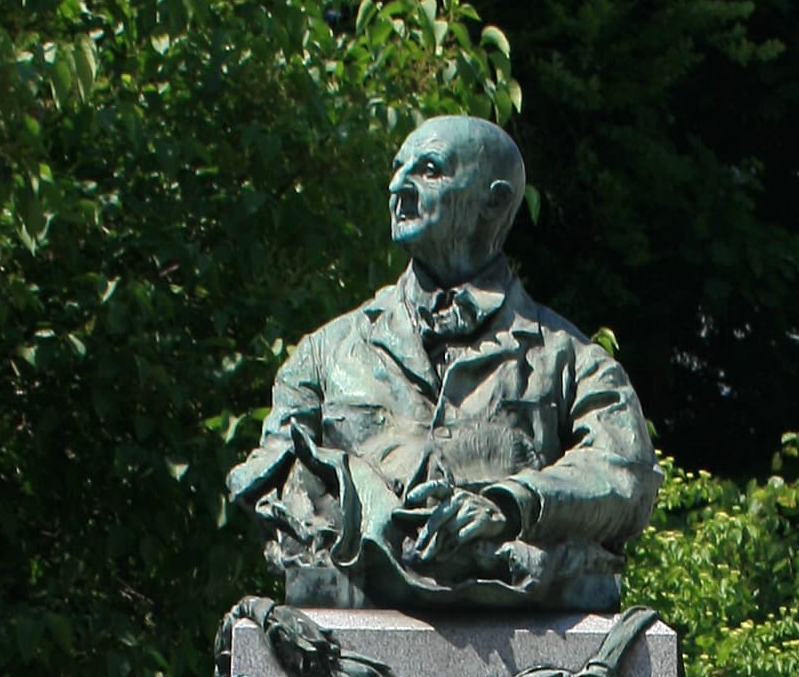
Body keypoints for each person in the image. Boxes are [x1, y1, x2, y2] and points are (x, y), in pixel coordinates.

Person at [225, 116, 655, 611]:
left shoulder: (571, 359)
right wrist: (358, 497)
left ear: (494, 201)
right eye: (396, 167)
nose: (398, 186)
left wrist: (510, 505)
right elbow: (270, 472)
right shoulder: (325, 353)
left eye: (428, 170)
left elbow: (626, 476)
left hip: (527, 614)